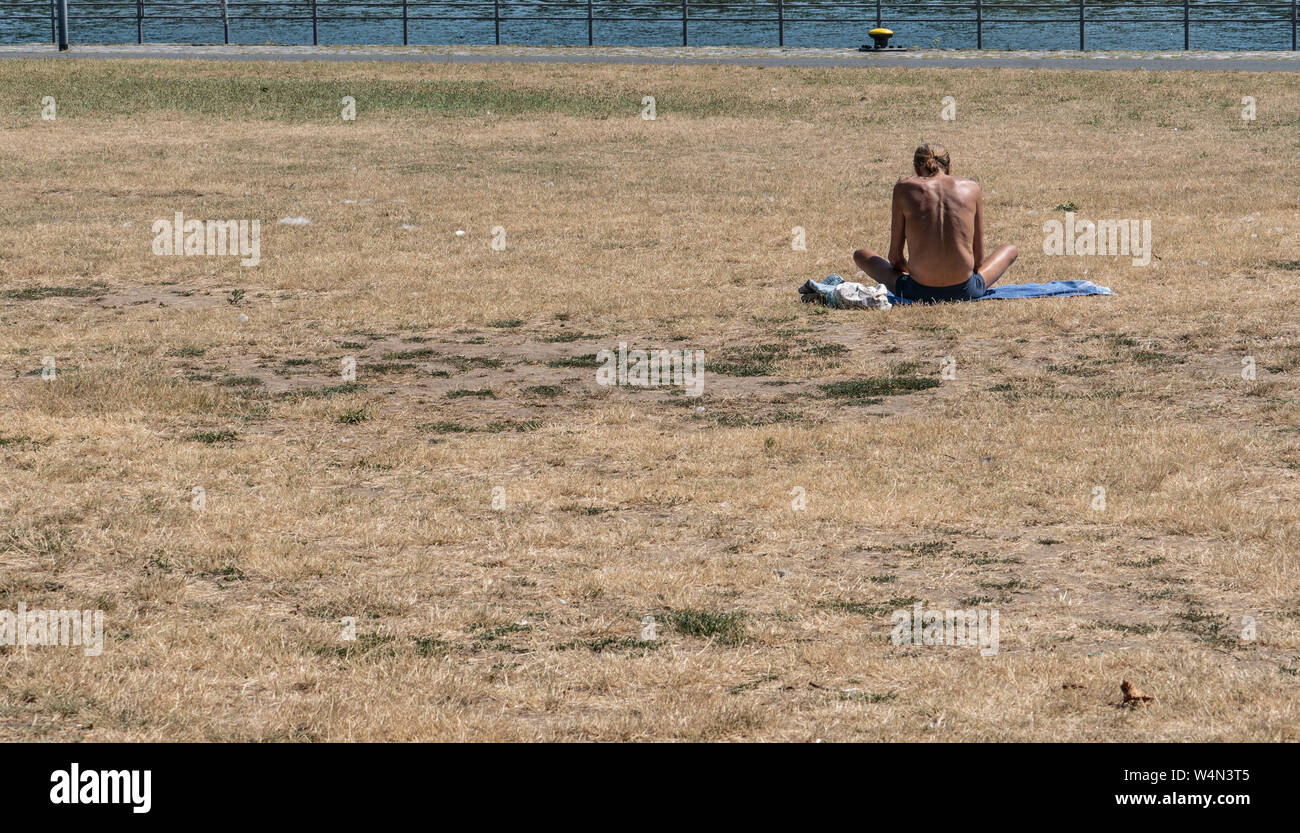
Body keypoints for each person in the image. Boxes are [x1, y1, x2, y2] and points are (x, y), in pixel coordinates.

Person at [853, 143, 1018, 303]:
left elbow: (895, 258)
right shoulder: (971, 188)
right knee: (1010, 250)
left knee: (860, 255)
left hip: (917, 291)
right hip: (966, 290)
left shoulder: (903, 189)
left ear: (917, 168)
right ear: (949, 167)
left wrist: (918, 272)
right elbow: (978, 261)